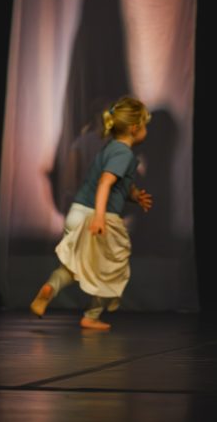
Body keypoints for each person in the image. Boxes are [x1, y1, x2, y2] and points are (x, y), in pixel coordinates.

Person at [29, 96, 153, 330]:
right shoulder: (123, 154)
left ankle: (50, 288)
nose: (146, 130)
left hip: (77, 212)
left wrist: (135, 196)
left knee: (73, 266)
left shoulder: (110, 148)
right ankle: (92, 315)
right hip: (99, 216)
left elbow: (118, 184)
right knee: (113, 270)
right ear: (135, 128)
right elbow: (105, 183)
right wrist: (99, 217)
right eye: (145, 126)